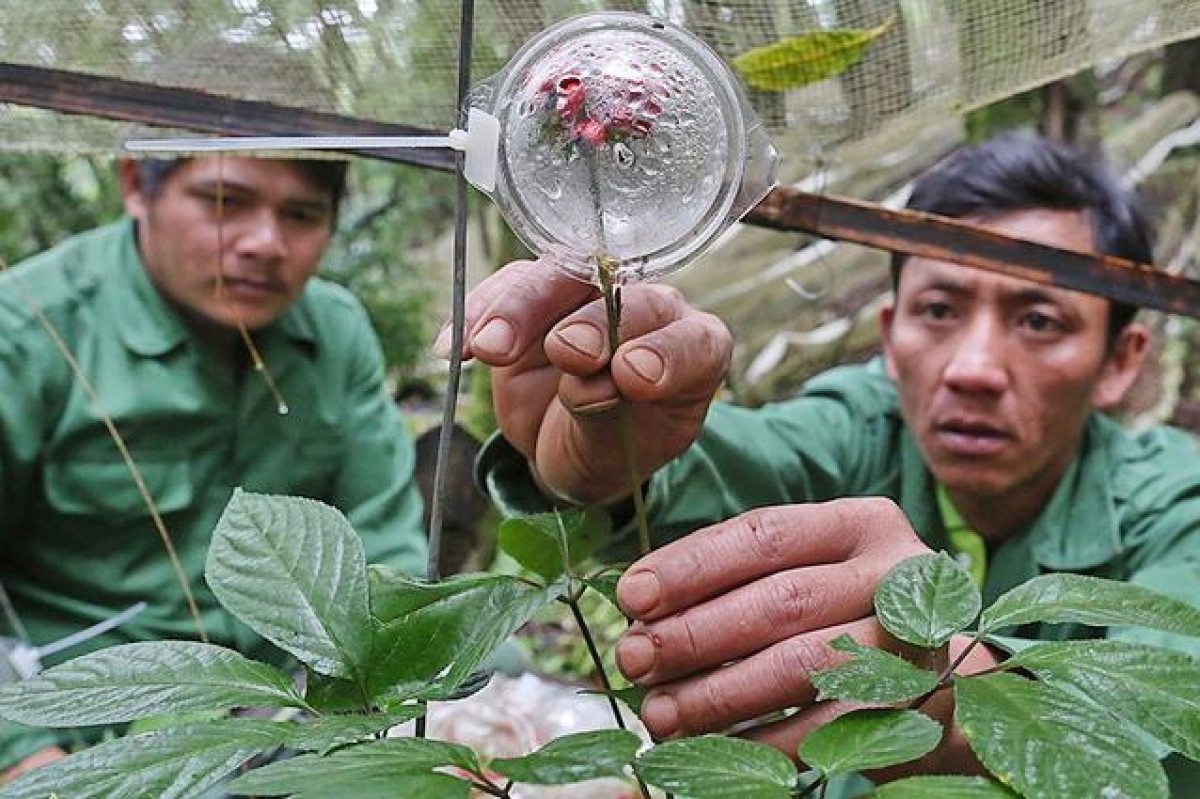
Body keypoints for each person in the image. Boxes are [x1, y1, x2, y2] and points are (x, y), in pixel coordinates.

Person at [453, 132, 1200, 790]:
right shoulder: (857, 430)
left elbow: (1175, 709)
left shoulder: (1178, 507)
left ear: (1120, 361)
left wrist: (967, 703)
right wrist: (606, 458)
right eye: (939, 310)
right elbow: (721, 465)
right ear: (889, 331)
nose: (973, 367)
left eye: (1039, 321)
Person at [0, 155, 427, 776]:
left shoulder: (336, 332)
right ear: (135, 188)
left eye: (302, 214)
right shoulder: (27, 331)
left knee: (514, 687)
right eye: (225, 203)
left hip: (298, 700)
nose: (264, 243)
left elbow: (389, 550)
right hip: (86, 720)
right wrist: (23, 759)